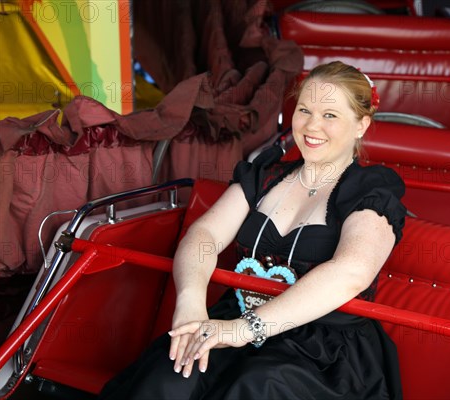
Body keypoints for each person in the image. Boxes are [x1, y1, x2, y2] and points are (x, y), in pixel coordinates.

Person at [99, 61, 407, 399]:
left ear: (361, 125)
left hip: (321, 347)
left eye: (330, 115)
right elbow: (203, 237)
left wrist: (246, 329)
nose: (312, 125)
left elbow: (352, 272)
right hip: (235, 318)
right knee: (170, 376)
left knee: (256, 386)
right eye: (304, 110)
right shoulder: (263, 175)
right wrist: (190, 302)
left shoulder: (372, 190)